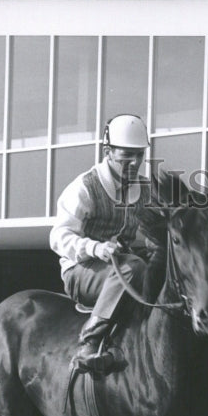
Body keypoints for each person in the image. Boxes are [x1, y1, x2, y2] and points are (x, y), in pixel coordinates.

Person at [50, 113, 152, 374]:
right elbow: (58, 237)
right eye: (126, 155)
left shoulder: (145, 188)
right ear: (108, 151)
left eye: (139, 154)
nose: (134, 162)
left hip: (122, 267)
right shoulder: (84, 187)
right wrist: (96, 248)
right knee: (134, 269)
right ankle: (90, 341)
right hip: (80, 272)